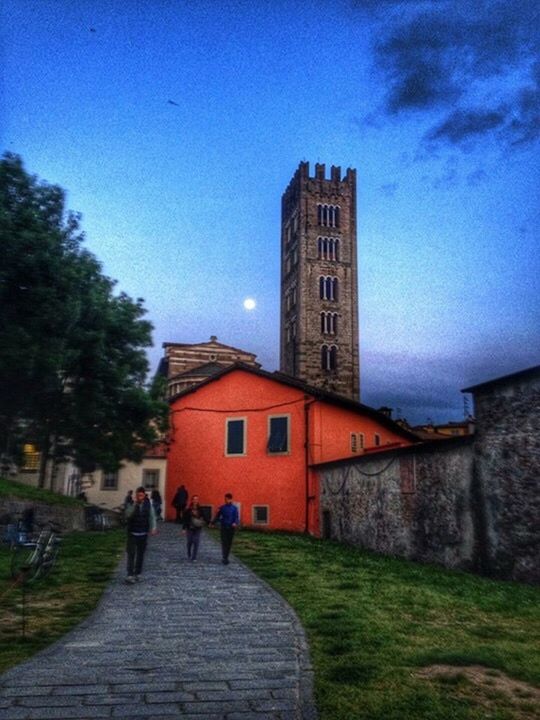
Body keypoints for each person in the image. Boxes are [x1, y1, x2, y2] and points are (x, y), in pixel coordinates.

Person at [124, 486, 157, 584]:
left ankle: (138, 573)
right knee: (131, 554)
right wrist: (134, 505)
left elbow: (152, 516)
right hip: (132, 533)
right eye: (138, 495)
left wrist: (153, 527)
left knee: (140, 555)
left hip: (143, 533)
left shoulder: (148, 505)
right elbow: (127, 514)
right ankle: (130, 574)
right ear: (136, 495)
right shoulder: (131, 503)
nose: (139, 497)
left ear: (144, 495)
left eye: (141, 495)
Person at [210, 493, 239, 565]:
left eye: (227, 499)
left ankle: (226, 556)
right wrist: (212, 523)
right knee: (224, 543)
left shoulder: (234, 508)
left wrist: (235, 523)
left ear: (231, 499)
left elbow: (236, 517)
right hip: (224, 527)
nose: (226, 500)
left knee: (229, 543)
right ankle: (224, 557)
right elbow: (217, 516)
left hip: (231, 528)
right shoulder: (222, 507)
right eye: (225, 499)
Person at [182, 495, 205, 562]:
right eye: (194, 499)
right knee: (189, 542)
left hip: (198, 528)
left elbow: (204, 516)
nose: (195, 500)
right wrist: (183, 528)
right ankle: (189, 552)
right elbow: (185, 519)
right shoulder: (188, 509)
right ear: (192, 500)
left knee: (196, 542)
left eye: (197, 499)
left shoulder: (200, 509)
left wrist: (210, 522)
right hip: (190, 527)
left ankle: (194, 557)